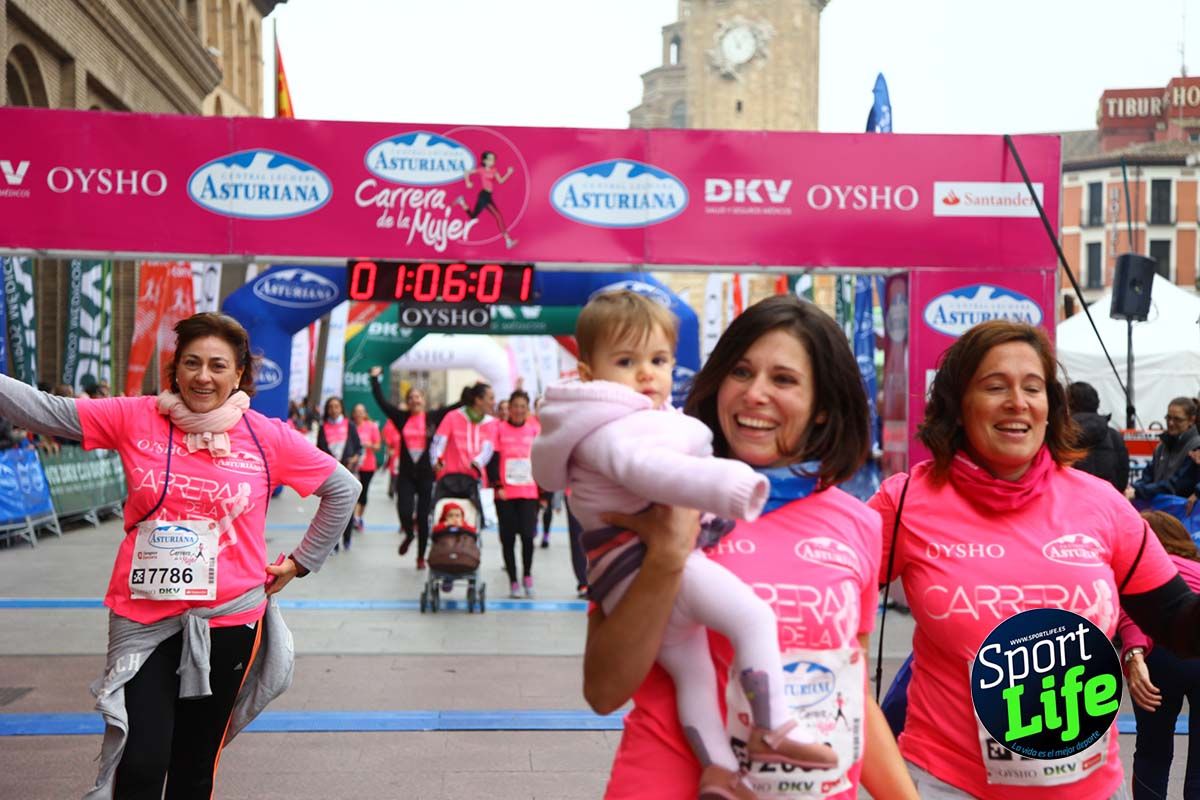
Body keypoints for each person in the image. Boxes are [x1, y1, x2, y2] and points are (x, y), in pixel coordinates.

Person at [560, 293, 912, 799]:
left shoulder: (857, 523)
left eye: (784, 380)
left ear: (822, 410)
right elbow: (603, 689)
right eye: (741, 373)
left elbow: (850, 688)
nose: (755, 394)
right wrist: (666, 555)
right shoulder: (657, 494)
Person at [0, 312, 359, 799]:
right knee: (143, 758)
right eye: (191, 363)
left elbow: (342, 488)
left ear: (239, 375)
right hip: (144, 618)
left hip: (230, 620)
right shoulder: (134, 416)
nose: (203, 376)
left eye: (217, 365)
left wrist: (301, 562)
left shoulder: (265, 435)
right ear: (175, 368)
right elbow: (44, 410)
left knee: (194, 763)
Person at [870, 320, 1200, 800]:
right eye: (995, 386)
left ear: (1050, 407)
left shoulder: (1100, 503)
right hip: (951, 784)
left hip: (1087, 787)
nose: (1017, 402)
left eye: (1033, 387)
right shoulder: (907, 502)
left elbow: (1176, 623)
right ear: (958, 405)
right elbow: (820, 606)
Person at [1119, 510, 1200, 800]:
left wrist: (1134, 654)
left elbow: (1132, 612)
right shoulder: (1196, 568)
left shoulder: (1137, 566)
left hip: (1159, 657)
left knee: (1153, 751)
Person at [368, 369, 464, 568]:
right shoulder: (401, 417)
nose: (414, 400)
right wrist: (375, 379)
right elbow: (382, 403)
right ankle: (409, 533)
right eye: (410, 397)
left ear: (424, 400)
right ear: (407, 401)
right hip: (406, 476)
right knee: (404, 510)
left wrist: (470, 394)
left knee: (422, 516)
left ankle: (421, 556)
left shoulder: (432, 418)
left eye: (417, 397)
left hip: (427, 475)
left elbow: (453, 408)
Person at [487, 389, 542, 598]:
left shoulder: (534, 431)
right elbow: (492, 458)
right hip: (506, 494)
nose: (518, 410)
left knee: (528, 537)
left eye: (522, 407)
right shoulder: (499, 429)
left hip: (528, 492)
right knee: (508, 538)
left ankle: (527, 574)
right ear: (509, 409)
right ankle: (513, 580)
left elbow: (541, 460)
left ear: (527, 410)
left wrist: (543, 493)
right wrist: (497, 484)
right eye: (515, 406)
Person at [431, 381, 496, 524]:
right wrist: (436, 461)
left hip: (473, 481)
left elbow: (488, 449)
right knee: (445, 519)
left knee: (471, 522)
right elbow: (438, 442)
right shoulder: (452, 417)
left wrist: (478, 462)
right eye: (490, 398)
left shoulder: (491, 423)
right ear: (478, 400)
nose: (493, 402)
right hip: (448, 479)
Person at [1130, 397, 1200, 501]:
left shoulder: (1196, 447)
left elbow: (1176, 485)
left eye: (1177, 419)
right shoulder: (1161, 446)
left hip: (1183, 514)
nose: (1171, 423)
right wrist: (1133, 488)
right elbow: (1148, 476)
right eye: (1168, 418)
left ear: (1191, 420)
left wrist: (1138, 491)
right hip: (1158, 510)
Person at [316, 396, 362, 552]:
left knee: (348, 508)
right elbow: (318, 450)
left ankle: (347, 538)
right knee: (331, 511)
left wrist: (354, 458)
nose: (334, 410)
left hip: (349, 472)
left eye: (336, 406)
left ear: (341, 408)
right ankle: (333, 544)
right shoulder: (323, 427)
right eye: (330, 407)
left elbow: (358, 448)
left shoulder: (350, 425)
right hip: (331, 474)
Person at [1068, 381, 1129, 492]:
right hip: (1109, 503)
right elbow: (1122, 478)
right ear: (1097, 403)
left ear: (1069, 404)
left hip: (1072, 504)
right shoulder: (1115, 436)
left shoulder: (1062, 437)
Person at [455, 150, 518, 249]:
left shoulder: (494, 170)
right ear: (484, 161)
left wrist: (508, 173)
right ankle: (508, 240)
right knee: (498, 216)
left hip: (488, 195)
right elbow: (467, 172)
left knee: (473, 216)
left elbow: (500, 181)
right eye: (489, 159)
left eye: (493, 159)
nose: (492, 161)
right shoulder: (481, 170)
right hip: (484, 196)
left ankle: (462, 202)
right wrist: (468, 182)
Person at [351, 403, 382, 532]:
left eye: (361, 411)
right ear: (353, 414)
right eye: (356, 411)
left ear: (365, 413)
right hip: (353, 465)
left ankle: (358, 517)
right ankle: (351, 517)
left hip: (368, 465)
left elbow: (378, 446)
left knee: (363, 493)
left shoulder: (372, 427)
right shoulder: (350, 427)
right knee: (353, 493)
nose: (359, 414)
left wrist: (369, 445)